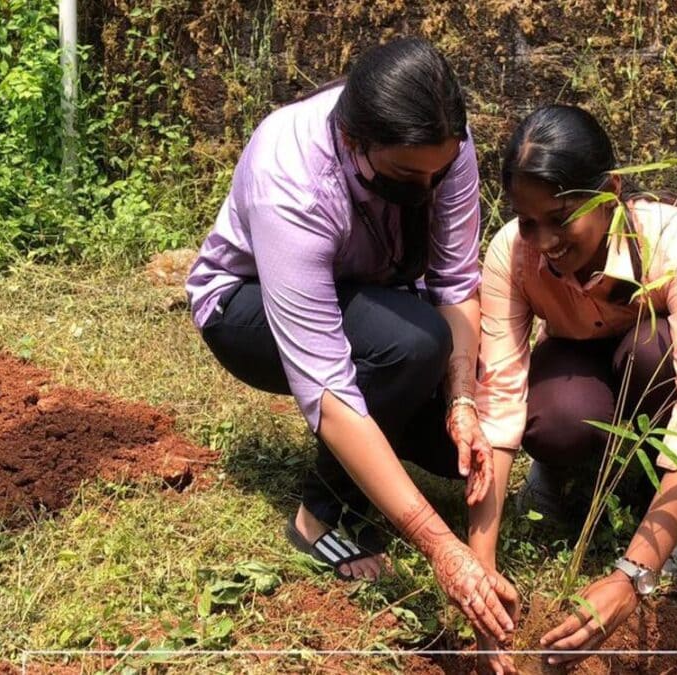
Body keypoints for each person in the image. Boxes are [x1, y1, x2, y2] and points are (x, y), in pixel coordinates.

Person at [185, 37, 517, 643]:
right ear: (353, 141)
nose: (426, 186)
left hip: (372, 295)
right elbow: (328, 387)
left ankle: (393, 423)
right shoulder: (290, 175)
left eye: (436, 173)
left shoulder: (443, 142)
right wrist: (440, 546)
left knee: (463, 450)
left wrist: (465, 401)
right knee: (411, 345)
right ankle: (322, 513)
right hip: (245, 304)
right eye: (405, 176)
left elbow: (453, 281)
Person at [470, 105, 677, 671]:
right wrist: (480, 568)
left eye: (560, 217)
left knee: (652, 351)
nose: (542, 239)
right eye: (527, 220)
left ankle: (661, 505)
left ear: (610, 193)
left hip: (656, 363)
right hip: (579, 355)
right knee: (557, 415)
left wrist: (630, 577)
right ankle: (560, 471)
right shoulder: (511, 253)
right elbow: (498, 405)